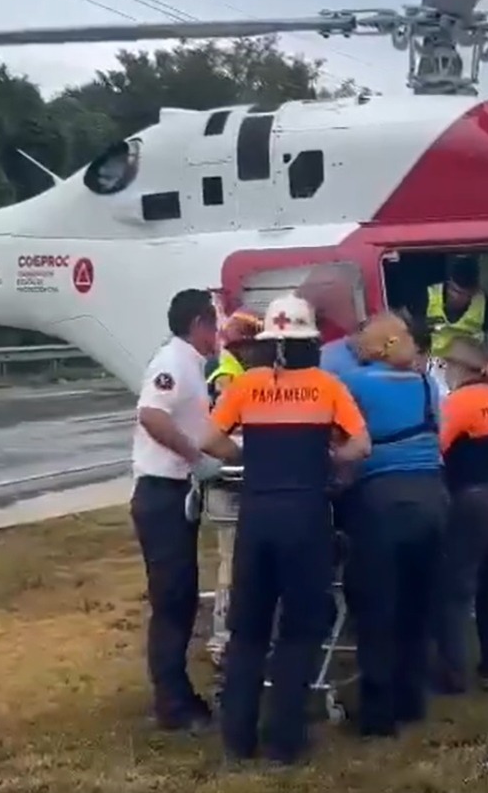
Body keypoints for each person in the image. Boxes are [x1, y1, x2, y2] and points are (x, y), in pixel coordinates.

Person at [203, 296, 370, 764]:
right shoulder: (326, 385)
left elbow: (208, 440)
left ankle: (237, 738)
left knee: (248, 630)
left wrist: (249, 458)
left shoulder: (248, 384)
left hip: (258, 514)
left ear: (268, 343)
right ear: (311, 342)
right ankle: (284, 739)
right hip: (306, 516)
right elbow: (361, 444)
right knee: (299, 629)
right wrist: (326, 458)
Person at [333, 311, 448, 736]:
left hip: (382, 502)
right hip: (432, 498)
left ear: (375, 346)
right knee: (416, 606)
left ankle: (378, 714)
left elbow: (338, 435)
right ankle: (411, 700)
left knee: (376, 607)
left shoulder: (355, 384)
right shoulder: (425, 383)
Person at [131, 289, 225, 731]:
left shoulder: (191, 363)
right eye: (215, 324)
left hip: (175, 494)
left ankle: (177, 693)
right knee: (172, 599)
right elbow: (152, 415)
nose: (219, 334)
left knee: (182, 597)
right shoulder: (173, 362)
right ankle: (172, 703)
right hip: (161, 493)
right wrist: (194, 456)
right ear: (198, 324)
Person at [432, 337, 488, 693]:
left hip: (474, 501)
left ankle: (451, 676)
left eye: (447, 365)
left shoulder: (459, 403)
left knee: (453, 591)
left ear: (460, 369)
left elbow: (438, 447)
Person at [204, 308, 264, 667]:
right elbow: (226, 427)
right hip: (231, 478)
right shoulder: (229, 375)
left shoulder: (235, 371)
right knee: (231, 562)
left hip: (237, 476)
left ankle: (236, 635)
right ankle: (223, 638)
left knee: (238, 561)